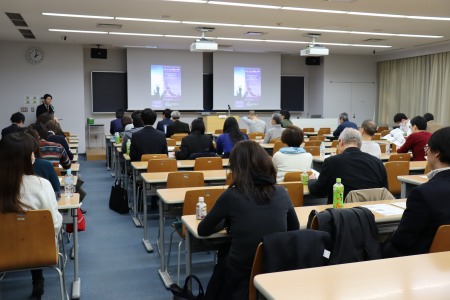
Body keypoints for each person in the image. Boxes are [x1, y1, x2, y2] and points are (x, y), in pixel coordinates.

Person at [198, 140, 299, 299]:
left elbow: (203, 230)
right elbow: (294, 228)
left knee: (224, 255)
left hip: (241, 270)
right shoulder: (281, 192)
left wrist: (227, 222)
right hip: (275, 265)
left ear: (236, 167)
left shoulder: (232, 195)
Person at [0, 131, 62, 298]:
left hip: (3, 253)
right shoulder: (41, 185)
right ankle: (38, 279)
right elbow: (54, 225)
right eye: (32, 153)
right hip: (40, 252)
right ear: (27, 158)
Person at [383, 127, 450, 257]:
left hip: (423, 263)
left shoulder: (422, 193)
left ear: (436, 152)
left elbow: (403, 241)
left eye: (427, 148)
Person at [308, 128, 388, 204]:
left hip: (342, 214)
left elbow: (319, 191)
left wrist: (311, 180)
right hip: (371, 211)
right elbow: (384, 191)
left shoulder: (332, 162)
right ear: (359, 144)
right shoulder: (377, 162)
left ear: (341, 142)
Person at [19, 127, 61, 197]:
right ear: (35, 142)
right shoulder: (45, 165)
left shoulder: (7, 168)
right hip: (46, 205)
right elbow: (57, 191)